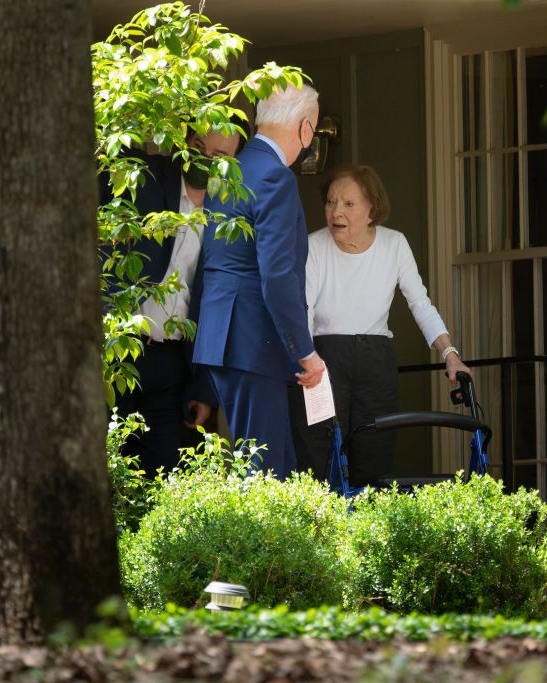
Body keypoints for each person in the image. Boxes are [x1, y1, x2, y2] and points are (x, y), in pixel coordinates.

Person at [290, 165, 472, 486]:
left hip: (376, 361)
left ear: (371, 210)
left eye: (348, 204)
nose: (336, 212)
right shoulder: (313, 246)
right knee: (318, 461)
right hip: (322, 361)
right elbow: (303, 309)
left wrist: (450, 354)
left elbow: (420, 303)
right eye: (331, 202)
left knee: (374, 465)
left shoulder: (394, 244)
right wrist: (307, 358)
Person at [193, 84, 324, 480]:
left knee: (274, 467)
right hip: (254, 341)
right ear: (304, 129)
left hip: (224, 338)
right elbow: (278, 276)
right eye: (314, 130)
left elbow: (211, 263)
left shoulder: (230, 171)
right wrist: (305, 352)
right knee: (265, 474)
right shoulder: (275, 178)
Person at [101, 127, 242, 476]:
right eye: (198, 146)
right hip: (118, 352)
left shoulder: (227, 217)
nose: (206, 159)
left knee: (159, 473)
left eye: (219, 157)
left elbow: (218, 305)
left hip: (171, 363)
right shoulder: (145, 178)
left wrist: (204, 388)